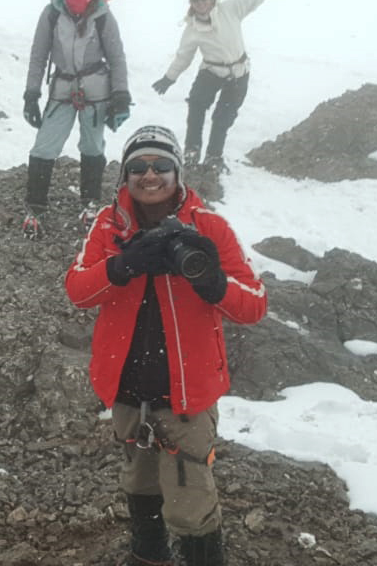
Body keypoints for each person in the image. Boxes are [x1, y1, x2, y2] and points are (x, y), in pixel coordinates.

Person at [64, 125, 266, 566]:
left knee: (190, 501)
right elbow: (77, 291)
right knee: (139, 485)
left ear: (178, 173)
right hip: (126, 389)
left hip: (187, 395)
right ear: (124, 175)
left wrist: (212, 283)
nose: (149, 175)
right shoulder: (109, 225)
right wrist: (123, 265)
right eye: (137, 166)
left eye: (161, 166)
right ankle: (148, 556)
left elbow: (254, 305)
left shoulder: (210, 227)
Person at [151, 0, 299, 170]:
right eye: (197, 0)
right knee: (196, 106)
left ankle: (214, 157)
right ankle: (192, 151)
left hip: (239, 73)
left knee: (223, 118)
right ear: (192, 4)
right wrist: (168, 78)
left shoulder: (231, 9)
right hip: (211, 71)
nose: (202, 3)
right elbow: (184, 56)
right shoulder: (192, 29)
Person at [21, 0, 131, 238]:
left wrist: (121, 94)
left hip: (96, 92)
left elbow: (117, 57)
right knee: (45, 146)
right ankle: (35, 206)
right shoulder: (51, 14)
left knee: (93, 145)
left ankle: (90, 203)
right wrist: (31, 94)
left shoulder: (103, 15)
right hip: (62, 88)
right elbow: (38, 55)